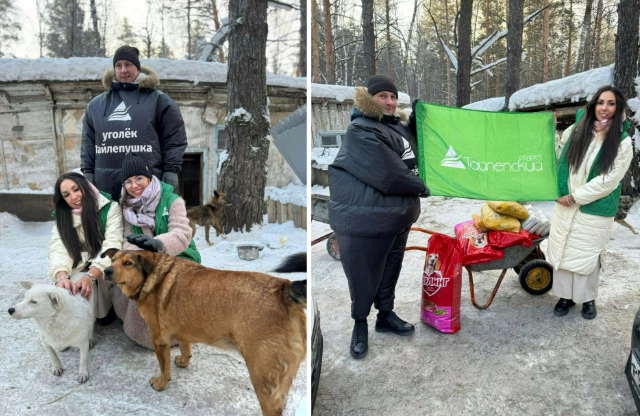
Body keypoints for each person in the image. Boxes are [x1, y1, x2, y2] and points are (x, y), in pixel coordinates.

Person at [328, 75, 429, 359]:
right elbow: (388, 171)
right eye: (382, 96)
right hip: (365, 220)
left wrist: (418, 123)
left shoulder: (395, 128)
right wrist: (422, 186)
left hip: (397, 216)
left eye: (393, 97)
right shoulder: (360, 130)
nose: (389, 102)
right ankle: (360, 324)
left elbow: (414, 152)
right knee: (363, 273)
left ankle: (385, 316)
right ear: (368, 99)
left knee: (390, 268)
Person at [549, 85, 633, 320]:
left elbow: (608, 181)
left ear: (618, 109)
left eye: (611, 103)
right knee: (565, 251)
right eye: (601, 102)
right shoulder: (578, 129)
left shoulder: (622, 142)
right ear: (593, 105)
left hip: (593, 208)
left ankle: (587, 299)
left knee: (587, 256)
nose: (604, 108)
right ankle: (565, 296)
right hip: (565, 203)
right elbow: (557, 155)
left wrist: (575, 197)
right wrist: (550, 132)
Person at [111, 152, 200, 349]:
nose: (134, 185)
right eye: (128, 181)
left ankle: (176, 334)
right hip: (143, 260)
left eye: (138, 178)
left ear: (149, 177)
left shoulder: (172, 200)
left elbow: (182, 232)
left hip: (178, 256)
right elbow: (127, 239)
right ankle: (143, 333)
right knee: (135, 280)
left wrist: (158, 245)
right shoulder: (125, 207)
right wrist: (138, 257)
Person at [81, 45, 187, 200]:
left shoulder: (159, 101)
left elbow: (174, 138)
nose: (123, 70)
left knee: (146, 224)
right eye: (118, 65)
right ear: (114, 69)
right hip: (106, 187)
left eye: (128, 65)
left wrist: (171, 170)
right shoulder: (96, 105)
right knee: (111, 224)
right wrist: (88, 171)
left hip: (147, 186)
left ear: (137, 68)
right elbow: (87, 142)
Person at [49, 172, 123, 325]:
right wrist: (61, 276)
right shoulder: (63, 216)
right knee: (69, 290)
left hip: (102, 267)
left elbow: (112, 245)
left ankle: (105, 309)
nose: (74, 197)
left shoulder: (109, 208)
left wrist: (90, 276)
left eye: (76, 189)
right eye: (66, 195)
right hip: (79, 265)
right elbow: (59, 248)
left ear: (86, 186)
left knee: (103, 318)